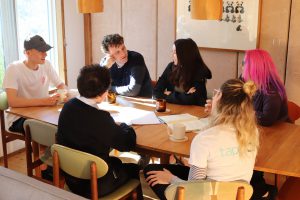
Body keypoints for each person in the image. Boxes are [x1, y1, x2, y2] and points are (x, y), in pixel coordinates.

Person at [144, 79, 259, 200]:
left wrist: (170, 178)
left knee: (151, 171)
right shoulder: (252, 132)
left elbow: (193, 190)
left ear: (219, 98)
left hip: (205, 196)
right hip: (236, 195)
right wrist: (215, 114)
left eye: (216, 94)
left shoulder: (205, 139)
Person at [56, 64, 142, 199]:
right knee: (132, 168)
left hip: (72, 179)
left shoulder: (68, 107)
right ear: (103, 94)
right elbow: (127, 144)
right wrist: (125, 125)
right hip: (96, 183)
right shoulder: (100, 118)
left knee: (114, 162)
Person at [2, 35, 65, 134]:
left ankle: (52, 149)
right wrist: (44, 102)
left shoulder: (46, 64)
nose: (45, 54)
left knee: (66, 122)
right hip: (18, 119)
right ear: (28, 53)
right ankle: (49, 149)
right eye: (41, 51)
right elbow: (12, 102)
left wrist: (62, 95)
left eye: (46, 51)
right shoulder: (13, 69)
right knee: (53, 130)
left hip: (42, 113)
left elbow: (61, 85)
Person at [153, 38, 212, 106]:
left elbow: (192, 100)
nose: (172, 55)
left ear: (184, 55)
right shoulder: (170, 67)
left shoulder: (199, 71)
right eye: (172, 52)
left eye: (175, 53)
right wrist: (185, 95)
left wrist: (169, 95)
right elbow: (156, 93)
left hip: (194, 112)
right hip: (173, 109)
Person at [100, 33, 152, 97]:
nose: (123, 53)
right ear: (108, 55)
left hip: (143, 101)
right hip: (119, 101)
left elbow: (133, 91)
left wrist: (110, 89)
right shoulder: (105, 62)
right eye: (117, 52)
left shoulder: (136, 58)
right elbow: (98, 88)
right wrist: (105, 68)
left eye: (123, 48)